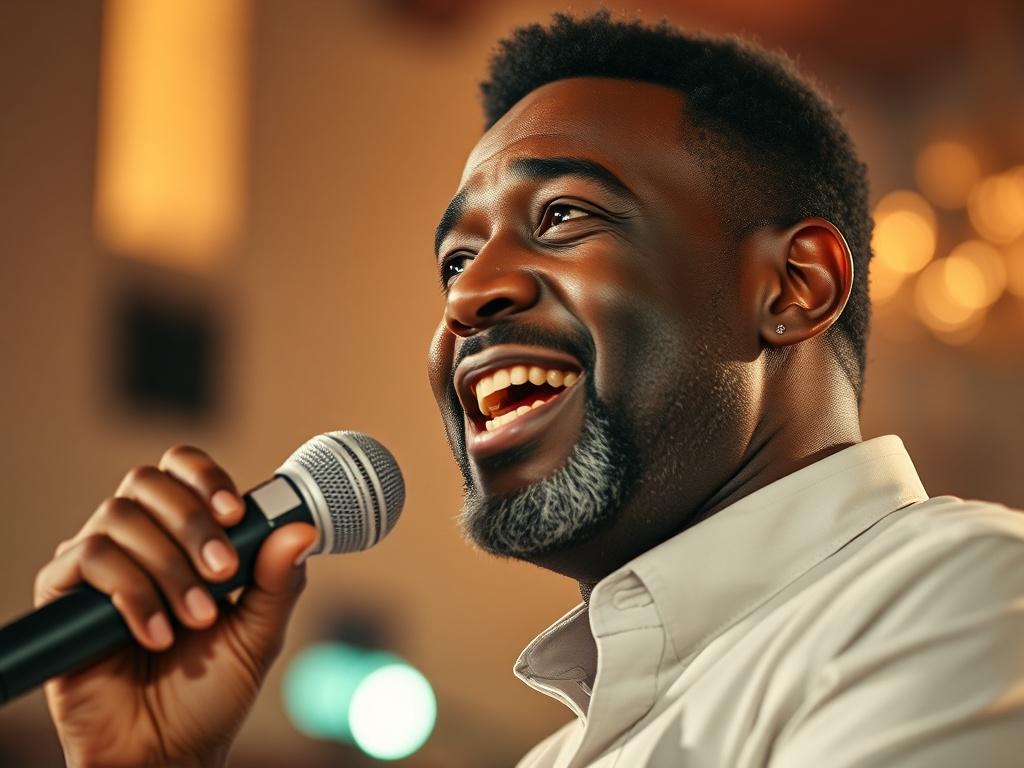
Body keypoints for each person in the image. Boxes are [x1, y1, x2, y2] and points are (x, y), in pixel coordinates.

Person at [37, 11, 1024, 767]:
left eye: (560, 216)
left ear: (792, 286)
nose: (467, 296)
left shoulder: (966, 595)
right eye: (454, 261)